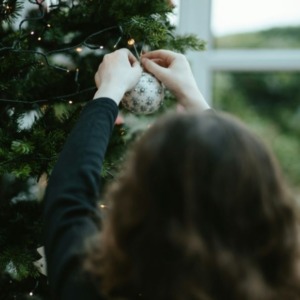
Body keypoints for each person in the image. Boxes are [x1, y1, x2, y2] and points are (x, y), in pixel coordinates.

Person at [44, 49, 300, 300]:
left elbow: (69, 194)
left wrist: (109, 92)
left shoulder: (92, 286)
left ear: (136, 200)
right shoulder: (285, 285)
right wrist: (193, 98)